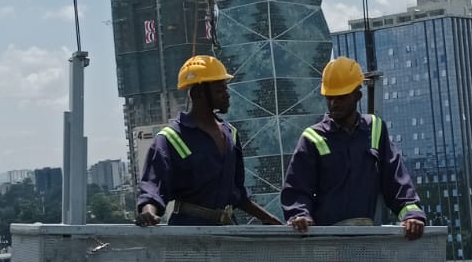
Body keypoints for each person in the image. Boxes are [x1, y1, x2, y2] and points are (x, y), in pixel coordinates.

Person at [281, 57, 426, 238]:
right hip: (327, 243)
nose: (334, 103)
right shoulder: (312, 137)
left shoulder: (375, 129)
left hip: (366, 238)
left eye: (341, 97)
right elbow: (296, 190)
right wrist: (300, 215)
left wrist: (412, 215)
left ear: (358, 95)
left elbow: (395, 180)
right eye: (330, 98)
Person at [136, 55, 282, 228]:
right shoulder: (170, 139)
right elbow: (153, 188)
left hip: (227, 232)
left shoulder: (230, 134)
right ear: (198, 93)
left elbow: (237, 194)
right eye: (219, 90)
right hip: (189, 235)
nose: (227, 95)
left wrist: (267, 218)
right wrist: (148, 213)